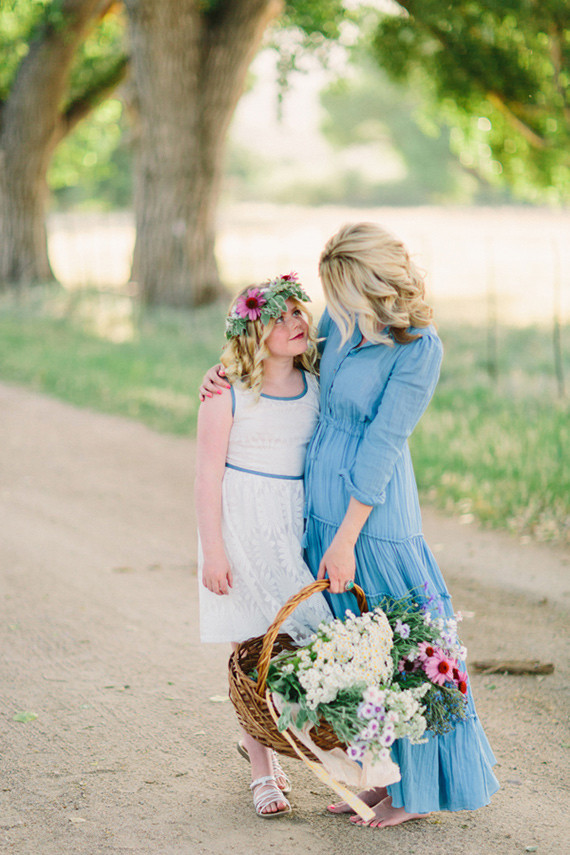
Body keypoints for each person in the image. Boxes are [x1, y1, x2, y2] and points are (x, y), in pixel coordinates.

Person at [200, 222, 499, 829]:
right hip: (317, 506)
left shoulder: (420, 348)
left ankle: (421, 792)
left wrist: (345, 541)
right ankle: (382, 778)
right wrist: (223, 370)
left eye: (342, 290)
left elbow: (383, 447)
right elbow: (279, 358)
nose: (330, 305)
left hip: (372, 517)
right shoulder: (339, 323)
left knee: (406, 644)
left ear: (374, 285)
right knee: (355, 651)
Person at [195, 273, 332, 819]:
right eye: (279, 317)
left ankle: (316, 744)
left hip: (294, 523)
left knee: (304, 635)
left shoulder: (316, 384)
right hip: (242, 524)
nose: (296, 323)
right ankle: (261, 767)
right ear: (253, 331)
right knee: (252, 646)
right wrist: (214, 552)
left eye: (299, 313)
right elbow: (207, 476)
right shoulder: (227, 388)